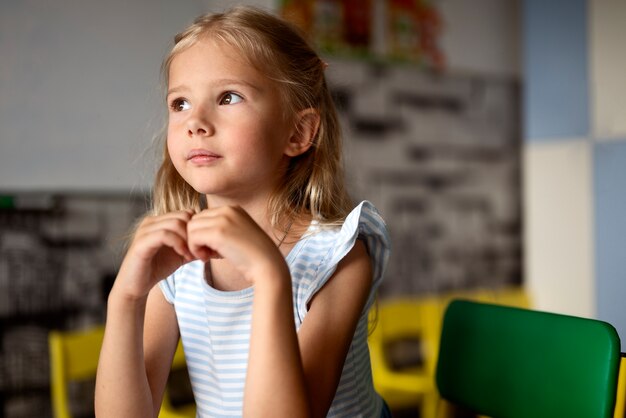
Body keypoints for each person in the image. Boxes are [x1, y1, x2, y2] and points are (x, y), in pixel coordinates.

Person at [95, 6, 390, 418]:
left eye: (228, 97)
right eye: (180, 103)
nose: (195, 121)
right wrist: (126, 297)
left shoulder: (338, 257)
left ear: (298, 132)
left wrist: (270, 276)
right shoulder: (179, 261)